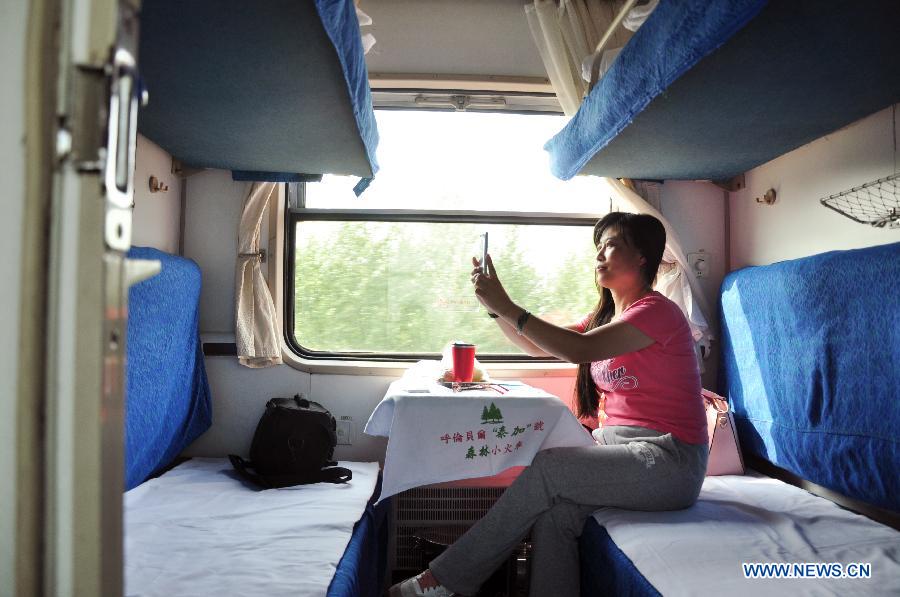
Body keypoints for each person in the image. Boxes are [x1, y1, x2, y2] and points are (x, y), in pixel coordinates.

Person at [389, 212, 708, 597]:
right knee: (556, 514)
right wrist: (495, 307)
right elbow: (536, 343)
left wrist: (507, 305)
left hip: (669, 462)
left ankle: (445, 580)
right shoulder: (606, 318)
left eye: (612, 245)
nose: (600, 255)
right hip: (625, 449)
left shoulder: (656, 312)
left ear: (642, 257)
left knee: (549, 469)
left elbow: (578, 349)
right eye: (599, 247)